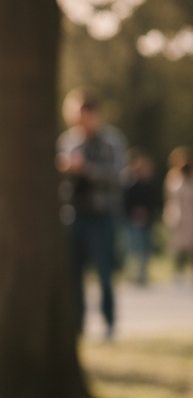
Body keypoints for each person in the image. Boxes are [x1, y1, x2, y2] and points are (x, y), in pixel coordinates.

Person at [56, 89, 127, 338]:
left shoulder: (112, 141)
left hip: (102, 215)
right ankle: (78, 325)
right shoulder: (68, 141)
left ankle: (108, 322)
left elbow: (117, 178)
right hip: (74, 214)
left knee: (104, 271)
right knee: (73, 275)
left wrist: (86, 169)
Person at [121, 149, 162, 286]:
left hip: (147, 221)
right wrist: (134, 212)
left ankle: (142, 275)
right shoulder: (130, 184)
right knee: (133, 248)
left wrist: (148, 213)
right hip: (133, 221)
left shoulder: (150, 185)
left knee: (146, 248)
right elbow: (125, 202)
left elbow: (155, 202)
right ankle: (133, 275)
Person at [164, 146, 193, 280]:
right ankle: (179, 271)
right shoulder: (173, 176)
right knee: (178, 245)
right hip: (178, 214)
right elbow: (169, 196)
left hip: (190, 214)